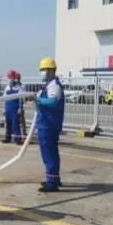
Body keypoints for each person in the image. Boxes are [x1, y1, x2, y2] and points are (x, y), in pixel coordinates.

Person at [36, 57, 65, 193]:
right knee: (49, 151)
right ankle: (53, 177)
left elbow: (52, 102)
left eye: (44, 69)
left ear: (51, 70)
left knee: (49, 152)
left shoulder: (54, 86)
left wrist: (38, 100)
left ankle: (52, 182)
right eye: (41, 69)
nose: (42, 72)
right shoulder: (48, 86)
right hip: (46, 123)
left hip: (49, 124)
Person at [1, 70, 22, 145]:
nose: (10, 79)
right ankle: (7, 138)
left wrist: (20, 108)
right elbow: (4, 98)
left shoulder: (18, 87)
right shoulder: (6, 87)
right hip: (8, 107)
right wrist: (4, 109)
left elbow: (20, 99)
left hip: (15, 107)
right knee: (8, 123)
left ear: (14, 78)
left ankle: (18, 139)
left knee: (15, 124)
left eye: (11, 77)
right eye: (9, 78)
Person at [15, 71, 27, 139]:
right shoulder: (14, 86)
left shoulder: (22, 86)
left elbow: (23, 95)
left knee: (22, 118)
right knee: (16, 119)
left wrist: (23, 103)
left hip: (20, 103)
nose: (17, 79)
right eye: (16, 78)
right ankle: (17, 132)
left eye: (18, 78)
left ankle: (24, 131)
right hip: (15, 103)